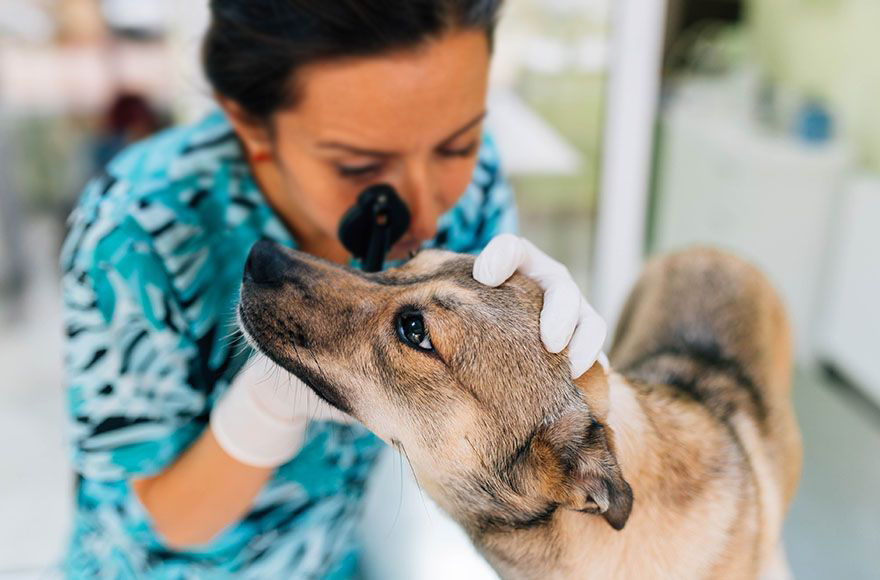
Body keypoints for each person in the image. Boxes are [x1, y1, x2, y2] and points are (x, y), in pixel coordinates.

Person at [60, 1, 606, 577]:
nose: (426, 211)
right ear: (251, 126)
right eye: (358, 165)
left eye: (457, 144)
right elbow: (165, 521)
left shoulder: (473, 187)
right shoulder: (137, 232)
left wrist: (559, 371)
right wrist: (263, 410)